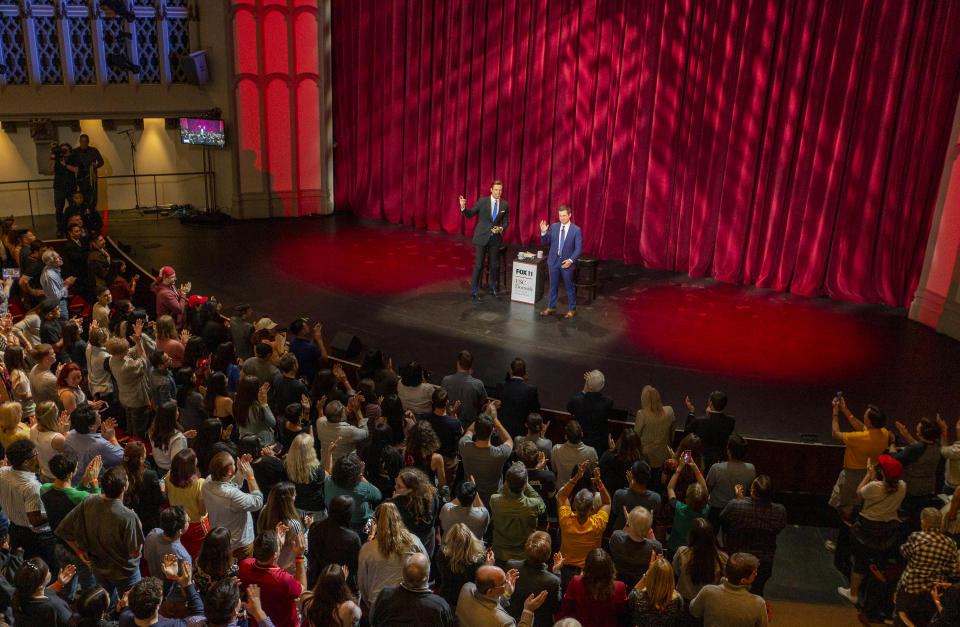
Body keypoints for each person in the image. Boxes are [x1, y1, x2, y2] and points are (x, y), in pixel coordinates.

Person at [56, 465, 144, 600]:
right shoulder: (128, 517)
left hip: (99, 569)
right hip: (124, 573)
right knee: (133, 604)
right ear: (123, 488)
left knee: (105, 604)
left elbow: (63, 530)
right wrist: (139, 525)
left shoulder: (89, 500)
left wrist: (79, 553)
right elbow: (134, 553)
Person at [836, 454, 905, 606]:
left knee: (860, 561)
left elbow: (859, 492)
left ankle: (853, 594)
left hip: (867, 528)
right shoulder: (902, 486)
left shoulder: (875, 487)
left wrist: (868, 475)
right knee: (880, 562)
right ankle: (873, 595)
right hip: (888, 530)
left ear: (882, 472)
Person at [719, 475, 786, 596]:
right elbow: (777, 527)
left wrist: (741, 501)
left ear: (753, 492)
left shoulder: (735, 505)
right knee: (757, 592)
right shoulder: (780, 511)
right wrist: (743, 501)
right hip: (763, 563)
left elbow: (723, 520)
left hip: (737, 560)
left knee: (732, 594)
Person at [0, 438, 59, 570]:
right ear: (26, 462)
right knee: (48, 570)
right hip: (37, 538)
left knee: (26, 568)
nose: (37, 457)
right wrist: (54, 513)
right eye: (35, 454)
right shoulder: (31, 486)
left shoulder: (2, 473)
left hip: (14, 530)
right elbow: (35, 520)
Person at [894, 507, 960, 626]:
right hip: (935, 590)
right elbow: (955, 571)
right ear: (941, 523)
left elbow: (904, 553)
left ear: (923, 522)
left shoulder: (916, 537)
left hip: (912, 586)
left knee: (901, 615)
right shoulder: (950, 543)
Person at [358, 502, 428, 611]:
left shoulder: (367, 549)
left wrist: (369, 603)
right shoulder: (414, 541)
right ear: (398, 518)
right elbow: (426, 567)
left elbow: (362, 582)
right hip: (408, 600)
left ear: (376, 522)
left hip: (378, 603)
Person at [829, 398, 891, 520]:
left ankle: (845, 533)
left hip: (852, 476)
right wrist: (845, 410)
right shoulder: (884, 433)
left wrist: (835, 413)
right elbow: (863, 427)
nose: (863, 416)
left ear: (871, 423)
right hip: (869, 474)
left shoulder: (860, 438)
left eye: (865, 415)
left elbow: (835, 434)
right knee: (859, 505)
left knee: (845, 507)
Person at [557, 461, 611, 588]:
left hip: (566, 570)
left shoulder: (565, 520)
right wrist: (599, 483)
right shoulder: (598, 524)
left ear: (574, 505)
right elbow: (607, 502)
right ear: (592, 509)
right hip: (589, 571)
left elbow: (563, 495)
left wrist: (577, 477)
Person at [201, 451, 264, 558]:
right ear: (228, 473)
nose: (236, 463)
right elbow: (257, 501)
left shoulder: (208, 482)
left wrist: (239, 471)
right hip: (239, 545)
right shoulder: (231, 495)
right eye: (233, 464)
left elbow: (231, 484)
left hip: (221, 538)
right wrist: (250, 477)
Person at [238, 529, 306, 627]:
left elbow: (269, 569)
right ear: (274, 555)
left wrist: (275, 546)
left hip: (258, 622)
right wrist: (300, 556)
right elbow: (302, 589)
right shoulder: (284, 579)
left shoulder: (245, 566)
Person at [371, 552, 454, 626]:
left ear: (403, 575)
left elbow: (373, 621)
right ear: (427, 577)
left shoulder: (385, 595)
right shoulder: (439, 607)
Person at [459, 179, 509, 299]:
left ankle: (493, 288)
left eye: (500, 190)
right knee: (479, 265)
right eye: (496, 190)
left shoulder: (504, 204)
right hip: (482, 237)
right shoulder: (482, 201)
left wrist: (501, 228)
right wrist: (463, 207)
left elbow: (506, 222)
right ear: (491, 190)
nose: (498, 192)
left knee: (495, 265)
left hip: (495, 239)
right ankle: (475, 292)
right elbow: (470, 214)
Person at [455, 563, 547, 627]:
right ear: (490, 591)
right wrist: (528, 610)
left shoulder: (466, 588)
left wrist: (506, 593)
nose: (507, 582)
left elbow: (488, 603)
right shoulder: (503, 622)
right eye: (503, 582)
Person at [689, 552, 768, 626]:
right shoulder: (758, 603)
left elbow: (694, 611)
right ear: (743, 580)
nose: (756, 574)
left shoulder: (708, 591)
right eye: (754, 572)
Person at [504, 530, 562, 626]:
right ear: (548, 554)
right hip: (539, 622)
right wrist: (556, 573)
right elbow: (556, 608)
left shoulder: (511, 565)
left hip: (511, 619)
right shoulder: (552, 581)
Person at [490, 463, 546, 562]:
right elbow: (542, 504)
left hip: (500, 554)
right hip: (525, 555)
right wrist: (525, 482)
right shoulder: (533, 504)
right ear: (525, 484)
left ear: (507, 482)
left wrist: (512, 478)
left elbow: (501, 492)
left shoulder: (495, 500)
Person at [106, 318, 152, 438]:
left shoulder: (112, 359)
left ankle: (129, 440)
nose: (128, 350)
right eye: (126, 350)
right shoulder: (127, 367)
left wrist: (138, 337)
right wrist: (138, 343)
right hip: (137, 399)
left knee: (131, 424)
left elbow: (130, 352)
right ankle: (136, 447)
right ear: (121, 353)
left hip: (125, 397)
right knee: (138, 428)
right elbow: (144, 360)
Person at [119, 562, 202, 626]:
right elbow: (199, 616)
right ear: (157, 607)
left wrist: (169, 578)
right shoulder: (175, 625)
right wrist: (187, 584)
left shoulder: (124, 618)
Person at [561, 547, 628, 627]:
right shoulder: (620, 587)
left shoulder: (576, 581)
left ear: (586, 567)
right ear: (610, 567)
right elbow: (622, 615)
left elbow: (566, 609)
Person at [459, 409, 514, 506]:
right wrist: (496, 420)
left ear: (476, 430)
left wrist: (484, 413)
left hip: (470, 496)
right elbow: (509, 440)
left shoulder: (464, 446)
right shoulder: (500, 453)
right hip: (492, 499)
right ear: (492, 431)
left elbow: (469, 430)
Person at [307, 494, 361, 590]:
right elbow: (354, 568)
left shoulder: (315, 528)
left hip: (317, 581)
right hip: (342, 584)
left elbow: (311, 556)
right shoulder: (352, 538)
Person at [539, 205, 583, 318]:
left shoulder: (576, 230)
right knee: (553, 286)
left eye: (564, 216)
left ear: (569, 215)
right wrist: (543, 232)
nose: (562, 218)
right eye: (560, 216)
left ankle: (572, 309)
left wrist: (570, 260)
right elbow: (545, 240)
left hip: (566, 263)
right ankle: (551, 307)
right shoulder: (554, 226)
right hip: (553, 261)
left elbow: (578, 249)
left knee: (569, 286)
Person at [165, 449, 209, 560]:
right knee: (199, 553)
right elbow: (202, 511)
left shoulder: (169, 476)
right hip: (196, 525)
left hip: (178, 519)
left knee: (182, 548)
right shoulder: (200, 484)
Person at [324, 449, 382, 534]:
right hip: (359, 524)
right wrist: (361, 476)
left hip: (334, 520)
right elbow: (378, 495)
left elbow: (328, 473)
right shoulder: (363, 488)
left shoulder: (328, 481)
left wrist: (329, 453)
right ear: (355, 474)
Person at [706, 434, 756, 530]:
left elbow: (708, 488)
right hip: (738, 509)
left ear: (728, 450)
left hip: (716, 509)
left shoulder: (716, 468)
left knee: (710, 535)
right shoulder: (751, 468)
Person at [255, 482, 307, 575]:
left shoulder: (264, 512)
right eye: (294, 495)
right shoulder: (293, 524)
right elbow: (301, 547)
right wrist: (308, 529)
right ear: (288, 500)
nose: (296, 496)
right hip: (288, 568)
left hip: (269, 564)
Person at [63, 403, 123, 483]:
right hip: (94, 488)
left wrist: (103, 437)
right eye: (98, 414)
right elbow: (124, 458)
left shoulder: (69, 435)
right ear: (91, 426)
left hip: (74, 481)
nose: (100, 415)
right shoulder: (100, 445)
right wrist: (112, 438)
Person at [673, 518, 729, 603]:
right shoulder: (723, 557)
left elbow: (676, 571)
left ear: (691, 536)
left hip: (684, 599)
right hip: (709, 601)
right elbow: (724, 581)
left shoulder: (682, 552)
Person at [11, 556, 78, 626]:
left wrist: (59, 584)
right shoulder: (55, 606)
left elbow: (44, 592)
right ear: (40, 585)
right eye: (48, 571)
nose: (49, 572)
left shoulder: (20, 596)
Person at [390, 467, 441, 558]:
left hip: (410, 545)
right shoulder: (433, 496)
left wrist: (393, 501)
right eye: (396, 483)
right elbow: (435, 518)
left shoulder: (398, 504)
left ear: (410, 490)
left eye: (399, 486)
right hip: (428, 541)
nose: (395, 487)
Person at [609, 505, 662, 590]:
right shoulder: (656, 547)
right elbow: (655, 546)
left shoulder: (616, 538)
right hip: (641, 588)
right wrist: (649, 528)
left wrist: (628, 523)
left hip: (617, 585)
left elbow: (621, 535)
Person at [435, 522, 486, 610]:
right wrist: (488, 566)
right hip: (468, 599)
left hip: (446, 597)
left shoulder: (441, 554)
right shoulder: (477, 562)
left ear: (450, 538)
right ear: (470, 540)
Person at [142, 505, 191, 596]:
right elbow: (186, 586)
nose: (190, 520)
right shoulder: (183, 556)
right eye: (188, 521)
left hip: (155, 586)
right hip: (174, 596)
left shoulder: (153, 533)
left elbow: (146, 556)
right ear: (180, 531)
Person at [626, 553, 685, 626]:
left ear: (650, 577)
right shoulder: (678, 600)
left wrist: (647, 573)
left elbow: (629, 602)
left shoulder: (636, 596)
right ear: (670, 578)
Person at [666, 456, 710, 554]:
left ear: (686, 498)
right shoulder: (706, 510)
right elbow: (705, 490)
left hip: (676, 549)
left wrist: (679, 468)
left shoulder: (678, 508)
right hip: (695, 550)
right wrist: (695, 468)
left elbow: (670, 488)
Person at [634, 385, 677, 485]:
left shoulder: (642, 414)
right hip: (664, 458)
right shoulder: (669, 411)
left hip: (646, 459)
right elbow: (673, 433)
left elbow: (635, 437)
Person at [684, 390, 735, 470]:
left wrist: (691, 412)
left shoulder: (700, 421)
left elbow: (687, 433)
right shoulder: (731, 421)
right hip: (721, 463)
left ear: (710, 403)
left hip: (701, 463)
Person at [122, 441, 166, 533]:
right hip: (150, 519)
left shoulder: (121, 472)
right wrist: (162, 484)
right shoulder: (150, 475)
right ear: (141, 459)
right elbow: (162, 499)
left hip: (130, 515)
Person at [301, 563, 362, 627]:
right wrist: (342, 582)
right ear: (341, 586)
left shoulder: (308, 601)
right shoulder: (347, 607)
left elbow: (310, 593)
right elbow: (358, 615)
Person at [567, 370, 613, 454]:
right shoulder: (608, 402)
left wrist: (585, 389)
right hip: (599, 446)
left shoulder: (576, 401)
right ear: (602, 385)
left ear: (587, 384)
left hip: (580, 444)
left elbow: (569, 408)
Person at [315, 397, 369, 468]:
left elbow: (326, 417)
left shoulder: (319, 423)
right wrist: (357, 411)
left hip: (326, 467)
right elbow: (365, 432)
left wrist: (320, 409)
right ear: (341, 416)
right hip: (344, 470)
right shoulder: (349, 432)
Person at [609, 460, 661, 531]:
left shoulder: (619, 494)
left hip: (621, 534)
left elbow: (615, 511)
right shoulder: (655, 498)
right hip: (643, 535)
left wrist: (631, 487)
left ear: (632, 475)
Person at [441, 349, 487, 427]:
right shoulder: (478, 384)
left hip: (448, 425)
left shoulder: (446, 381)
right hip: (469, 429)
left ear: (458, 363)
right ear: (470, 365)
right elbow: (484, 406)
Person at [288, 432, 331, 516]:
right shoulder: (318, 471)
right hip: (315, 510)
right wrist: (329, 454)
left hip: (296, 507)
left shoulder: (287, 466)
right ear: (310, 451)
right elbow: (328, 477)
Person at [148, 400, 195, 475]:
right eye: (176, 410)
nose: (178, 412)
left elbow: (165, 442)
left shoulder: (153, 430)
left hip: (159, 466)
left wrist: (183, 435)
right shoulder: (178, 439)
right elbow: (177, 463)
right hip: (171, 472)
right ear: (172, 416)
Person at [497, 358, 540, 437]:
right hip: (520, 433)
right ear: (525, 373)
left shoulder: (500, 386)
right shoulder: (531, 390)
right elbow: (535, 411)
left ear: (511, 371)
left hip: (501, 432)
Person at [551, 420, 599, 489]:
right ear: (582, 434)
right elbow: (593, 473)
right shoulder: (591, 452)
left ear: (566, 437)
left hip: (561, 491)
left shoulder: (556, 449)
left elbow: (554, 469)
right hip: (582, 493)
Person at [599, 429, 646, 495]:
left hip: (609, 497)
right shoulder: (643, 461)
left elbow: (599, 478)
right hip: (636, 499)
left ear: (620, 442)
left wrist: (613, 451)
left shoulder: (608, 457)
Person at [234, 376, 277, 447]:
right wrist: (264, 403)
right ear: (255, 391)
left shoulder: (236, 404)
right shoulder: (258, 408)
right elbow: (273, 423)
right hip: (262, 444)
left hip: (244, 441)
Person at [403, 420, 446, 485]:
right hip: (427, 492)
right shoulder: (436, 458)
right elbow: (442, 482)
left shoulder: (405, 451)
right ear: (431, 437)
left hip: (410, 489)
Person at [288, 317, 329, 384]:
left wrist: (313, 336)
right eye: (306, 326)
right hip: (310, 378)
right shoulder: (311, 348)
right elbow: (325, 359)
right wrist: (319, 339)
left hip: (298, 374)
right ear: (302, 331)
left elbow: (308, 348)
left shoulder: (293, 341)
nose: (308, 326)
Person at [68, 134, 104, 209]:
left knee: (92, 199)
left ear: (88, 142)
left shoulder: (94, 150)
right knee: (80, 199)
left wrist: (96, 165)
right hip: (79, 179)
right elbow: (69, 164)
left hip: (91, 179)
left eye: (85, 141)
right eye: (82, 141)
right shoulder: (75, 152)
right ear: (79, 142)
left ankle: (92, 215)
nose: (83, 143)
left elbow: (101, 162)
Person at [50, 142, 77, 235]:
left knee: (73, 208)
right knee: (59, 209)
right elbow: (51, 171)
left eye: (65, 150)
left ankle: (73, 227)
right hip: (59, 187)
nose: (64, 152)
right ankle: (60, 228)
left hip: (71, 187)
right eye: (62, 150)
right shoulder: (57, 160)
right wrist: (54, 160)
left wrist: (65, 164)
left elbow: (76, 170)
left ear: (69, 150)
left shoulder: (73, 158)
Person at [40, 251, 75, 320]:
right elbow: (56, 297)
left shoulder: (53, 270)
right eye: (58, 258)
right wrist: (66, 285)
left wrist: (64, 283)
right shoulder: (50, 275)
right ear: (51, 262)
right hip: (57, 305)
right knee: (63, 326)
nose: (61, 258)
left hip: (58, 303)